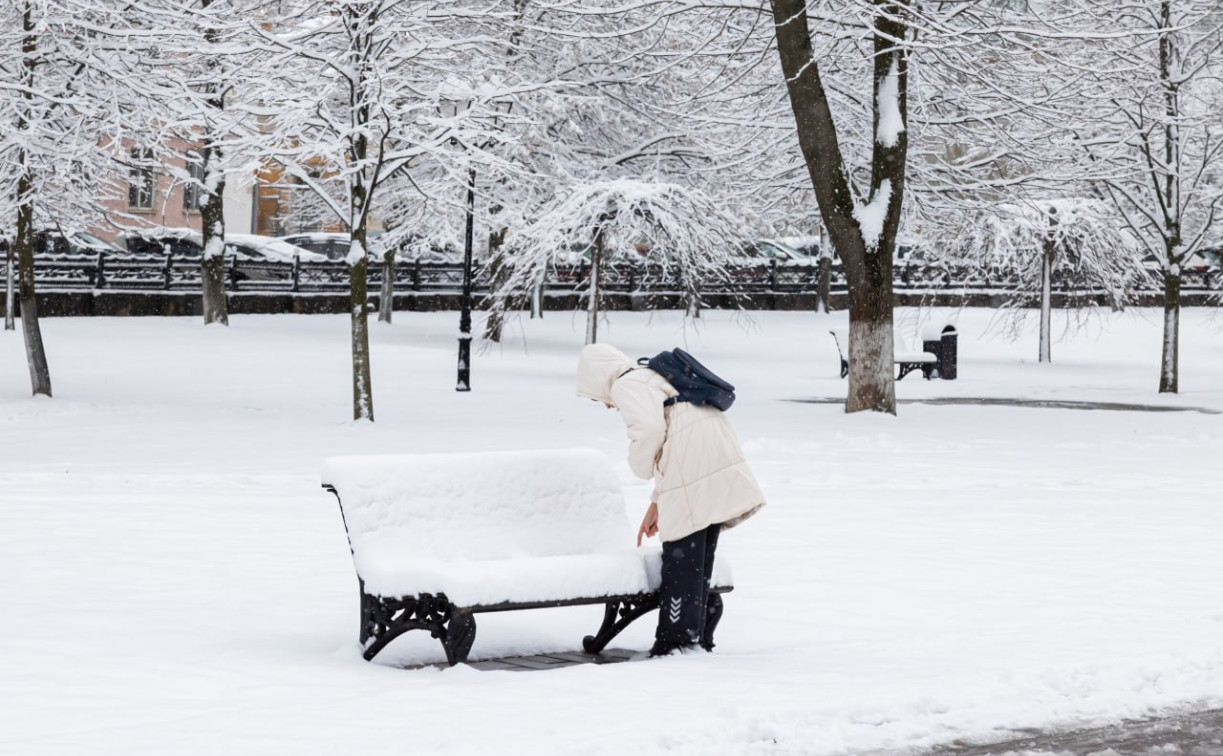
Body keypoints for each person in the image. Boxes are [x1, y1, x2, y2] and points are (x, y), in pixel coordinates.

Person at [575, 343, 765, 657]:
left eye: (597, 397)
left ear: (599, 378)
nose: (605, 405)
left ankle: (675, 641)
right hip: (714, 444)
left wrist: (639, 467)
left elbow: (651, 432)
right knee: (699, 545)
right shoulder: (653, 377)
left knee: (681, 552)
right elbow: (675, 432)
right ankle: (694, 635)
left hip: (693, 455)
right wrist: (657, 503)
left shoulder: (626, 384)